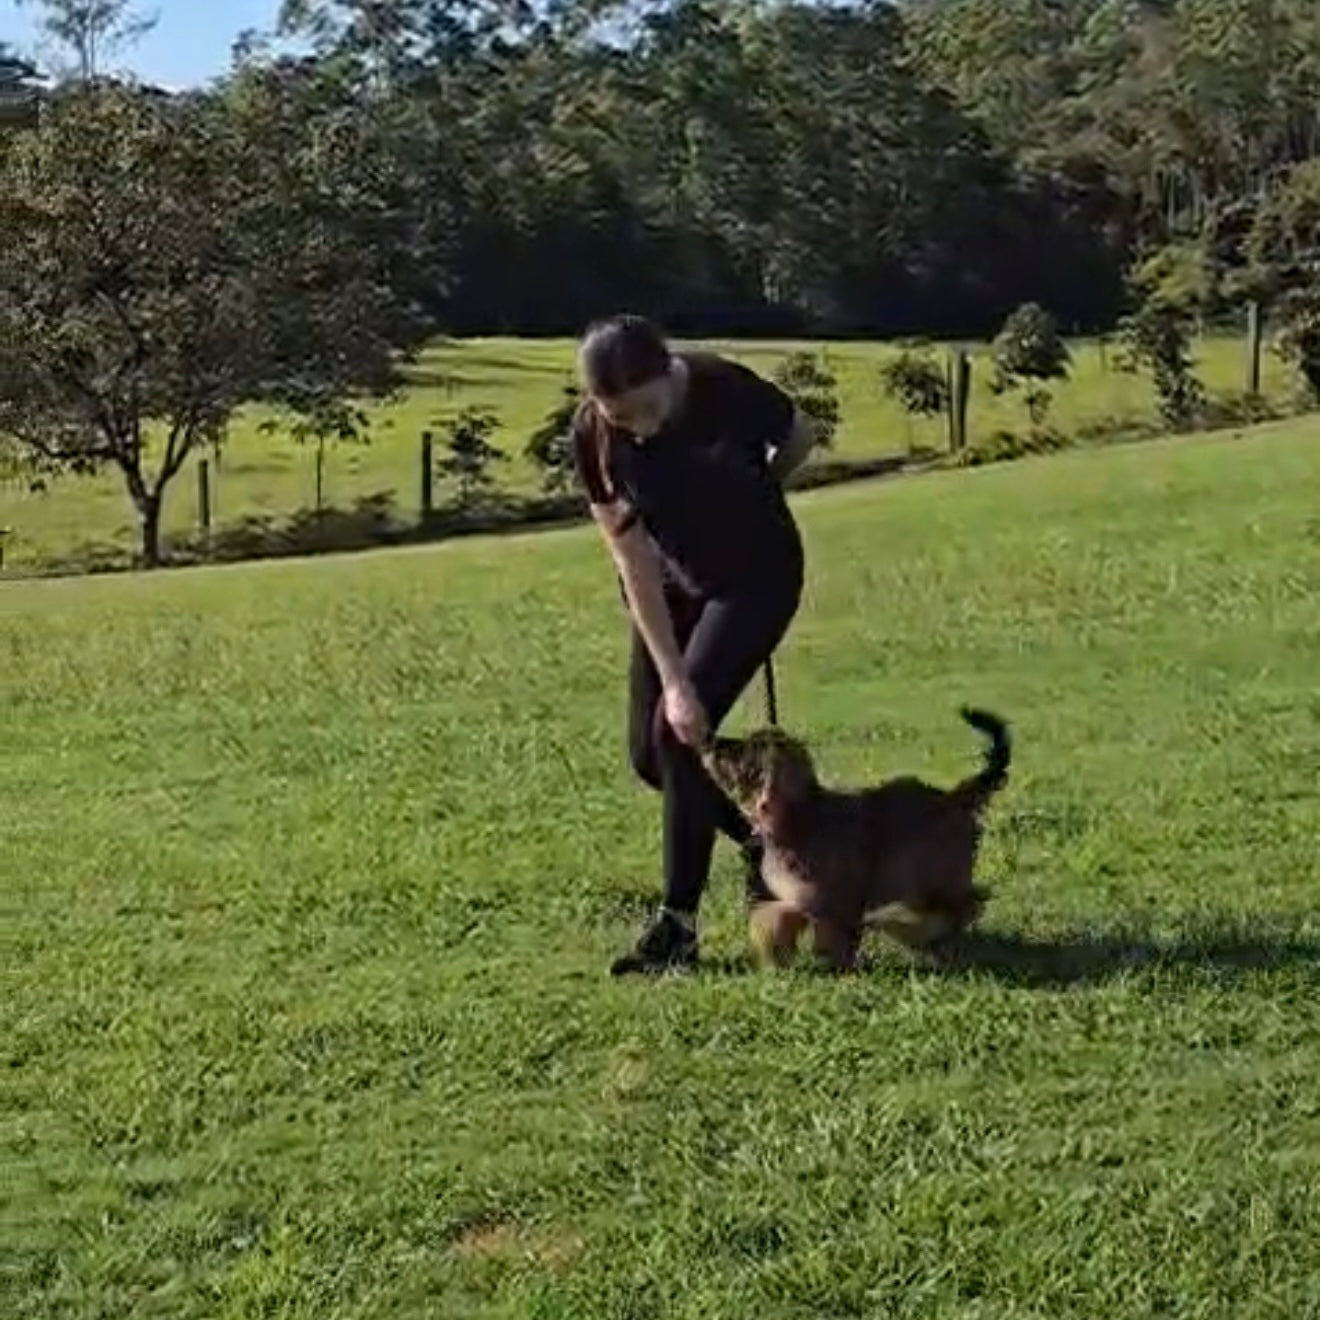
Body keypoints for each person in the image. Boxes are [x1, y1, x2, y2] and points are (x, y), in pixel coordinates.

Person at [571, 314, 816, 975]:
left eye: (648, 409)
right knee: (652, 755)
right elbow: (630, 560)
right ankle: (762, 842)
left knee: (679, 738)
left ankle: (676, 928)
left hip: (755, 578)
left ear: (668, 374)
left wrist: (763, 491)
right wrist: (674, 680)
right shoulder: (594, 436)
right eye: (621, 417)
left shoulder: (722, 387)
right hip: (671, 586)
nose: (639, 428)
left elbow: (799, 435)